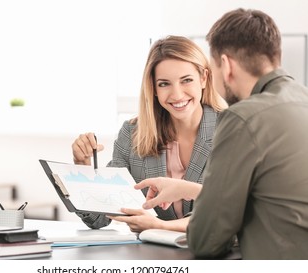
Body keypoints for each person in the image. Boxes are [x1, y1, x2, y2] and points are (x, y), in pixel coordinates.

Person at [135, 8, 308, 259]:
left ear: (225, 66)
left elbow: (207, 240)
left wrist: (161, 225)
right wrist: (190, 190)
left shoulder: (242, 118)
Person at [71, 35, 227, 232]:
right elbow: (99, 218)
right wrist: (83, 168)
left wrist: (159, 226)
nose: (177, 94)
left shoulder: (231, 129)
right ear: (153, 87)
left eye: (186, 80)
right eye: (164, 84)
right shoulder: (133, 133)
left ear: (203, 78)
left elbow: (228, 210)